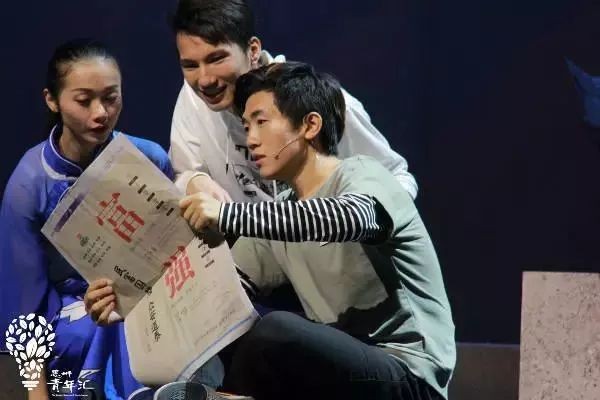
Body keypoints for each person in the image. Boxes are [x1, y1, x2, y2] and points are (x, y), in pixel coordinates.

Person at [87, 62, 455, 400]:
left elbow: (349, 218)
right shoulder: (278, 214)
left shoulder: (361, 175)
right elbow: (211, 292)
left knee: (276, 332)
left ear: (310, 125)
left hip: (409, 378)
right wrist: (133, 303)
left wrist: (228, 215)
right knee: (230, 333)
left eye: (261, 122)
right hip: (338, 381)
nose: (251, 140)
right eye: (247, 126)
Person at [0, 39, 173, 400]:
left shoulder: (149, 159)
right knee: (98, 327)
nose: (101, 113)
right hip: (70, 313)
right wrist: (36, 394)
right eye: (83, 100)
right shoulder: (30, 183)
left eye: (111, 98)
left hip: (146, 297)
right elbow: (25, 304)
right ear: (52, 100)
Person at [168, 0, 418, 204]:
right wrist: (194, 181)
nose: (205, 79)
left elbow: (397, 179)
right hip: (254, 249)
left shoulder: (317, 101)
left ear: (253, 50)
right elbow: (182, 173)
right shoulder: (193, 98)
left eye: (217, 59)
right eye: (190, 65)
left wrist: (354, 228)